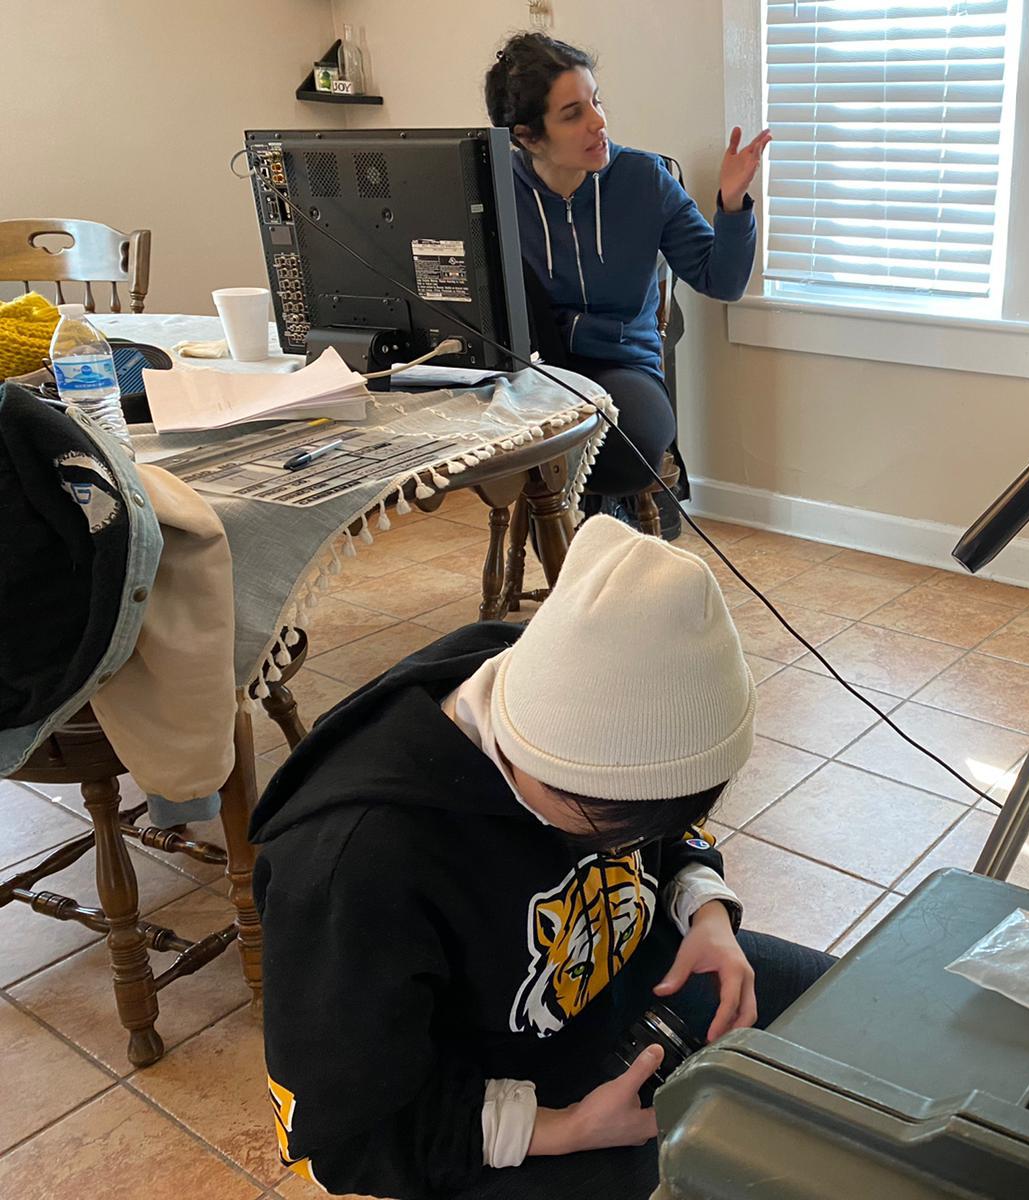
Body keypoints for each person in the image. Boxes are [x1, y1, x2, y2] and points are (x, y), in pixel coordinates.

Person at [251, 516, 833, 1199]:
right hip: (491, 1112)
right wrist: (559, 1129)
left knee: (860, 1009)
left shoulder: (594, 704)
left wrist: (704, 911)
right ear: (553, 768)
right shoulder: (354, 865)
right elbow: (346, 1142)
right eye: (611, 828)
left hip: (630, 992)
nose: (632, 844)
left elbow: (666, 836)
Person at [484, 33, 770, 524]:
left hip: (623, 366)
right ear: (528, 136)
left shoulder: (644, 179)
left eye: (596, 101)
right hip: (529, 370)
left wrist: (731, 203)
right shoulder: (493, 190)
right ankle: (572, 535)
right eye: (573, 113)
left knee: (623, 445)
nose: (598, 121)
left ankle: (584, 532)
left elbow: (722, 281)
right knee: (495, 443)